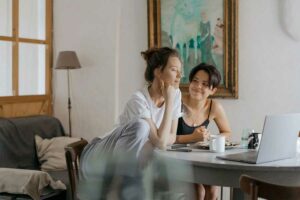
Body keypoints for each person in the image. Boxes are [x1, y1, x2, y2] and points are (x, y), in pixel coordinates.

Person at [78, 47, 182, 200]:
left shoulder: (175, 94)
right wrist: (169, 102)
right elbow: (161, 141)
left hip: (126, 161)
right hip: (99, 155)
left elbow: (172, 136)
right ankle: (117, 189)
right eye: (174, 70)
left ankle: (122, 188)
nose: (179, 75)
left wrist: (170, 101)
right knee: (142, 126)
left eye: (180, 70)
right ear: (158, 72)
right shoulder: (138, 99)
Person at [176, 63, 231, 200]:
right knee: (199, 191)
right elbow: (165, 137)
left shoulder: (214, 107)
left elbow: (227, 132)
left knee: (213, 190)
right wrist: (193, 137)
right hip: (176, 160)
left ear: (213, 90)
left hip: (199, 161)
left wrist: (209, 137)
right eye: (195, 81)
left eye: (205, 84)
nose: (198, 86)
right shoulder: (177, 102)